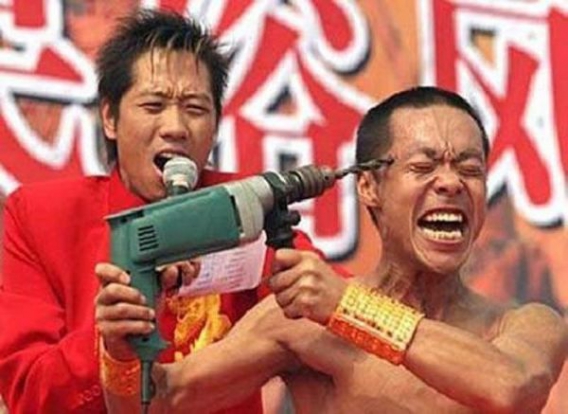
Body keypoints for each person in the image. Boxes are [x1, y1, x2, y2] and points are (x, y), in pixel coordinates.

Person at [98, 86, 568, 413]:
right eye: (423, 167)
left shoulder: (529, 323)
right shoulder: (302, 322)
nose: (450, 183)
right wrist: (121, 350)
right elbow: (159, 402)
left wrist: (348, 306)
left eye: (470, 169)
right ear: (368, 187)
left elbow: (512, 389)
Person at [0, 10, 325, 414]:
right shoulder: (42, 216)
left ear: (216, 125)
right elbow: (28, 392)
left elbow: (329, 310)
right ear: (109, 117)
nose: (175, 127)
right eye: (153, 105)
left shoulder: (247, 204)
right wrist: (107, 340)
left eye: (195, 108)